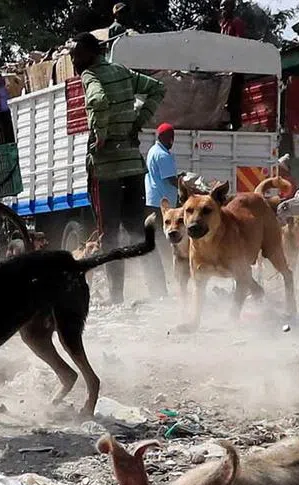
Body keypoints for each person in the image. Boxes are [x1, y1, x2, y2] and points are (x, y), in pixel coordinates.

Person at [71, 31, 166, 304]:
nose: (74, 61)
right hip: (132, 166)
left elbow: (98, 101)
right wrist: (137, 123)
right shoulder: (123, 71)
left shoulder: (90, 75)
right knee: (138, 231)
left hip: (106, 170)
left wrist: (100, 135)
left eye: (77, 55)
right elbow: (157, 88)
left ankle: (116, 297)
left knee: (109, 236)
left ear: (90, 54)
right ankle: (159, 293)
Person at [144, 123, 178, 295]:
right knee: (165, 243)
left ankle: (158, 285)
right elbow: (171, 179)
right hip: (162, 204)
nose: (172, 142)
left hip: (153, 201)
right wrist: (188, 186)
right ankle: (165, 284)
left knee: (156, 242)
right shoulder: (163, 155)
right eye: (171, 138)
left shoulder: (152, 151)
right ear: (167, 138)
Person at [219, 0, 249, 131]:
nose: (222, 9)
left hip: (235, 69)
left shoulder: (237, 23)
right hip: (225, 68)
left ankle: (236, 127)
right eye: (221, 7)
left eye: (225, 6)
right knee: (224, 98)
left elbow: (239, 44)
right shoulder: (224, 25)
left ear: (232, 7)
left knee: (234, 100)